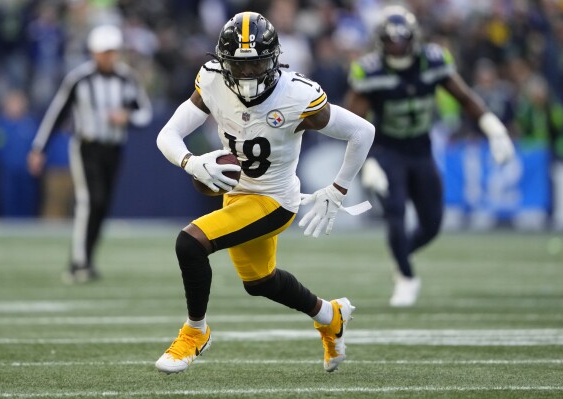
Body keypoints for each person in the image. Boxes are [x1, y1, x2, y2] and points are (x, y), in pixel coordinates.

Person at [155, 11, 374, 374]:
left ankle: (195, 332)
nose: (246, 74)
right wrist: (192, 163)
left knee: (190, 243)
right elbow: (168, 135)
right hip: (236, 193)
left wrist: (337, 189)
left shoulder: (297, 95)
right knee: (259, 282)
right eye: (237, 66)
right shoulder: (211, 81)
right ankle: (330, 315)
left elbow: (362, 131)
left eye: (255, 64)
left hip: (274, 200)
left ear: (273, 60)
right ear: (222, 63)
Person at [345, 6, 515, 307]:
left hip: (421, 148)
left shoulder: (433, 61)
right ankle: (407, 277)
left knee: (433, 223)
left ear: (414, 38)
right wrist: (367, 162)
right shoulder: (369, 71)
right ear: (380, 41)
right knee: (394, 210)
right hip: (386, 149)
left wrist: (493, 128)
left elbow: (463, 97)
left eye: (401, 39)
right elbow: (351, 123)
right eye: (390, 40)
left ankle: (401, 255)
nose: (396, 46)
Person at [27, 24, 152, 283]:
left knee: (102, 204)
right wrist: (39, 148)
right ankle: (78, 262)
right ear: (93, 52)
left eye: (111, 52)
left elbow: (145, 113)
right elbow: (57, 113)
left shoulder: (127, 78)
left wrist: (126, 116)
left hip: (114, 148)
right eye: (103, 52)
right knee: (90, 201)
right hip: (87, 147)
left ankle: (87, 259)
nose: (107, 57)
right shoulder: (79, 79)